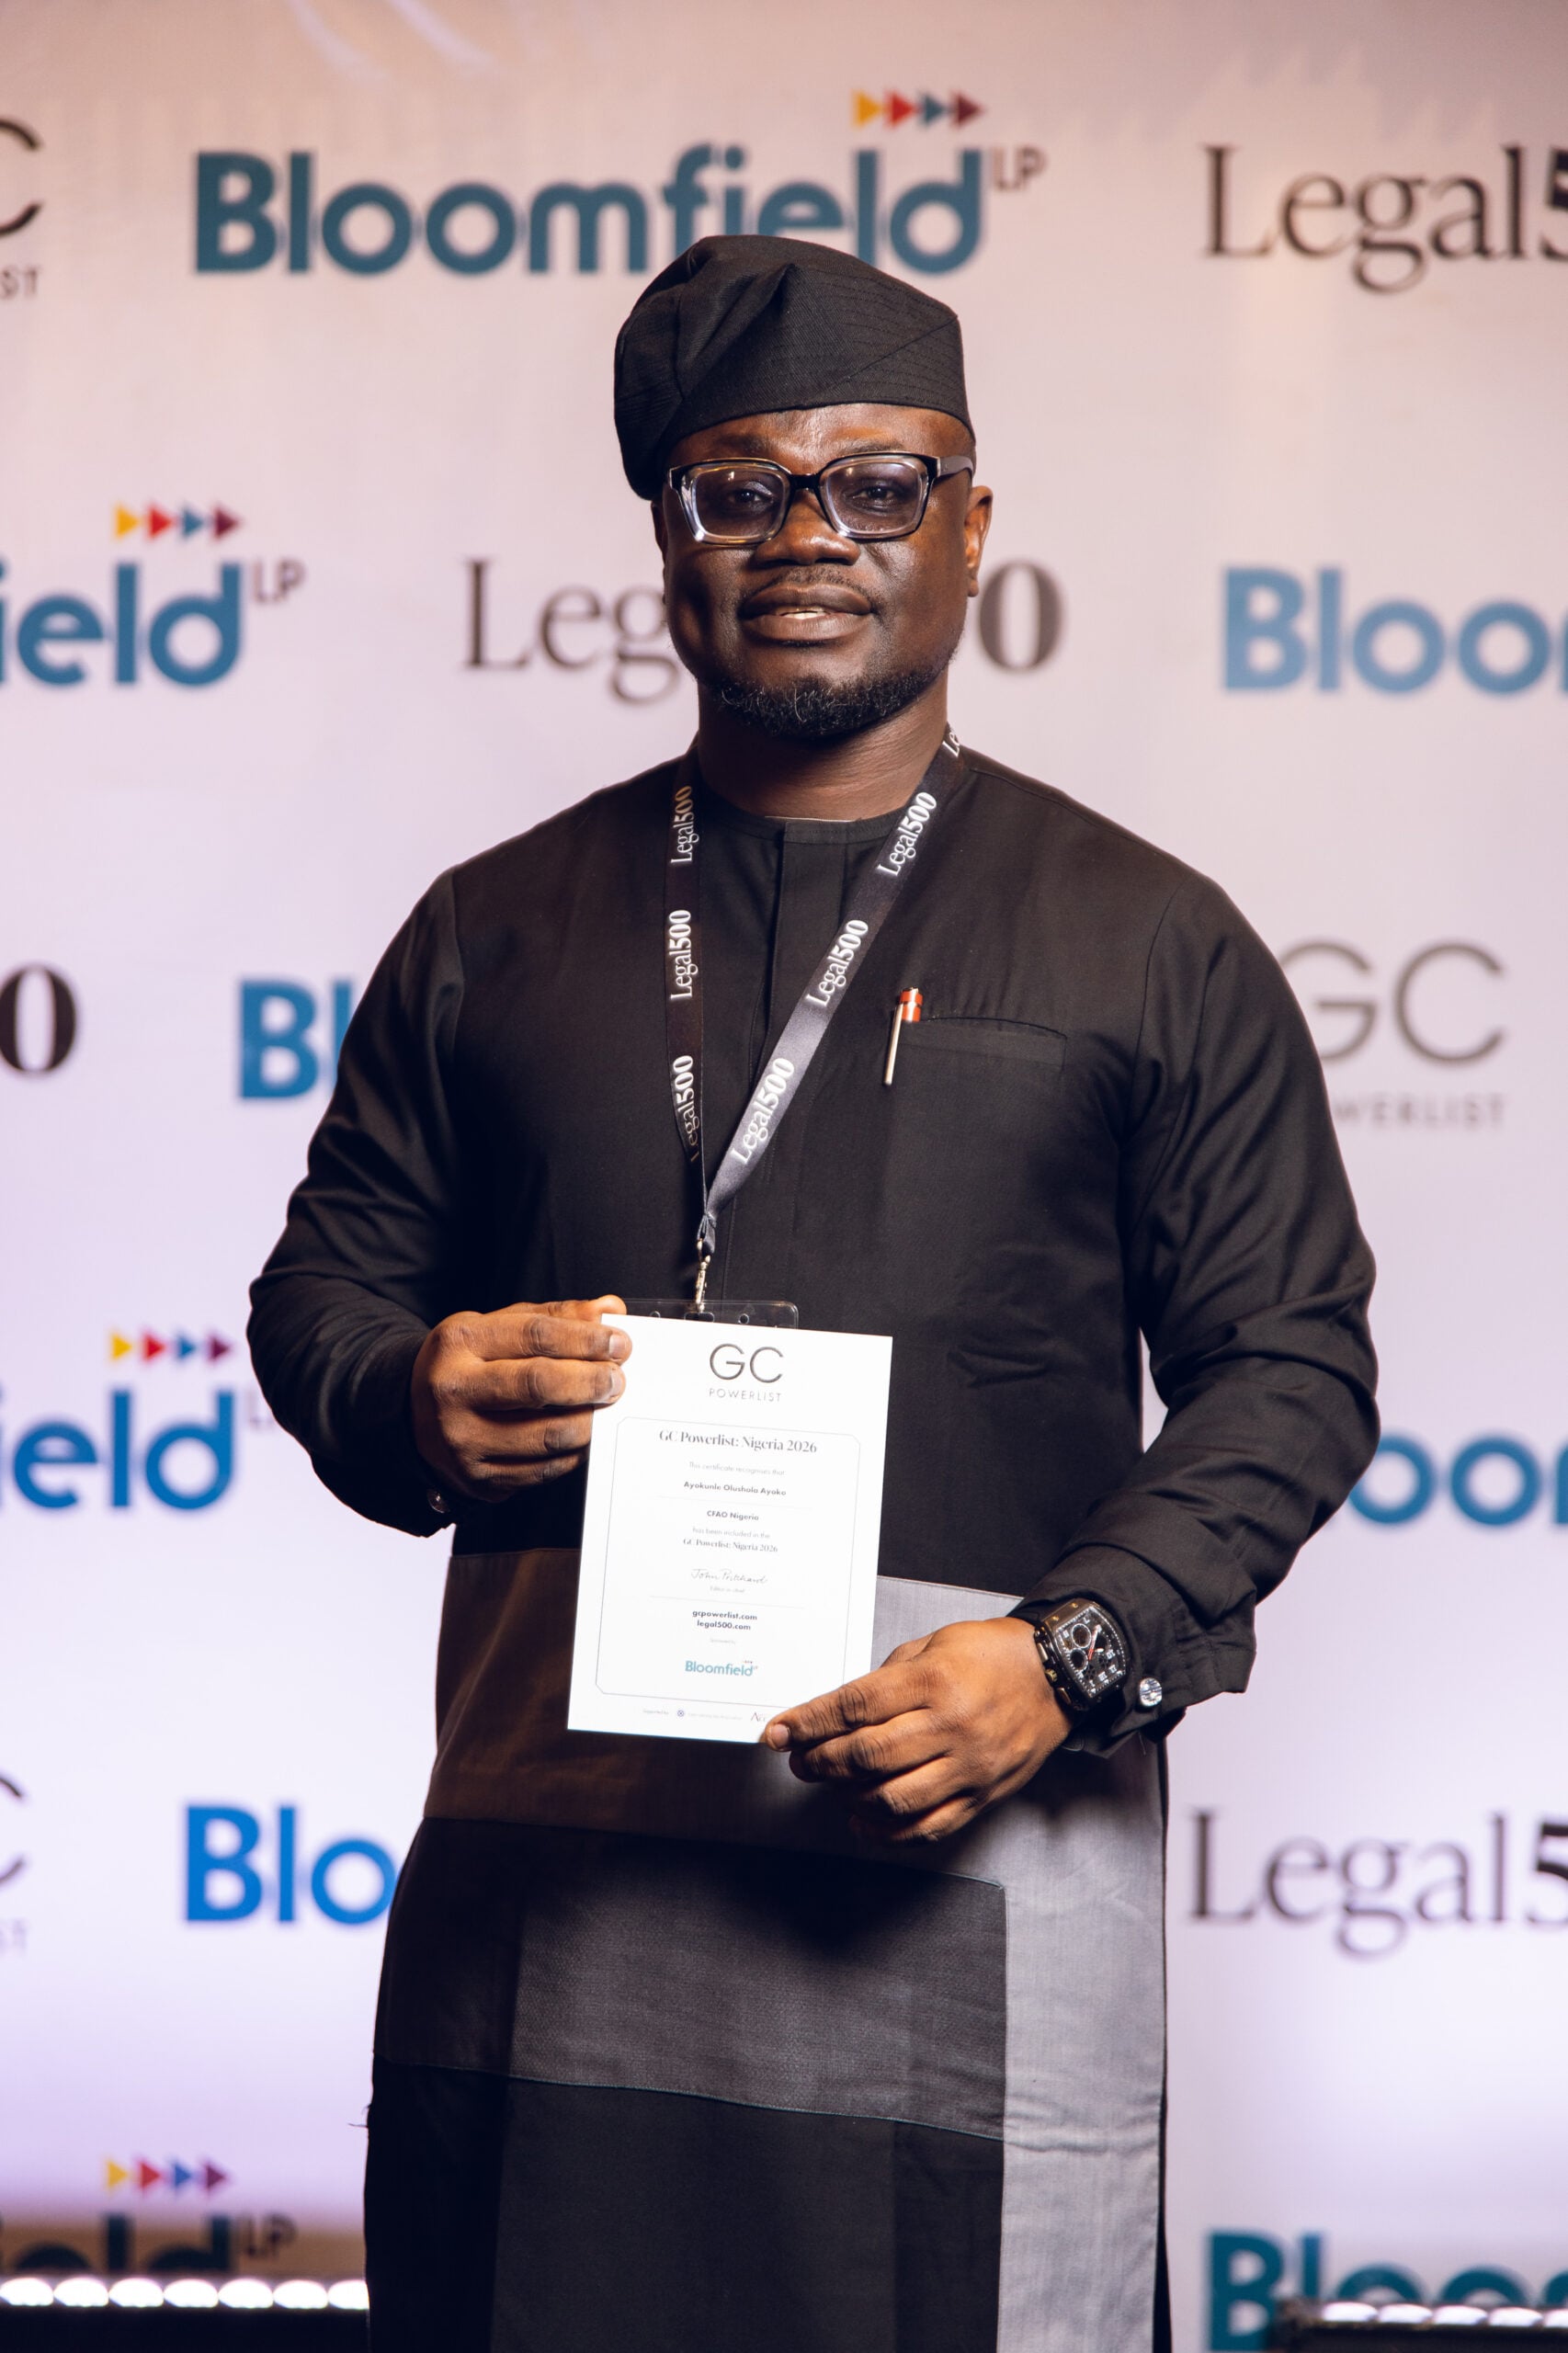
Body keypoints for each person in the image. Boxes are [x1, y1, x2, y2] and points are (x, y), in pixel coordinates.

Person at [248, 233, 1377, 2353]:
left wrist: (1067, 1652)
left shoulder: (1148, 938)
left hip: (975, 1868)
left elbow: (1287, 1363)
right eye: (739, 487)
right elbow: (329, 1289)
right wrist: (407, 1386)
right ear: (666, 541)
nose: (806, 536)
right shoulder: (494, 926)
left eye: (877, 482)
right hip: (553, 1897)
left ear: (971, 527)